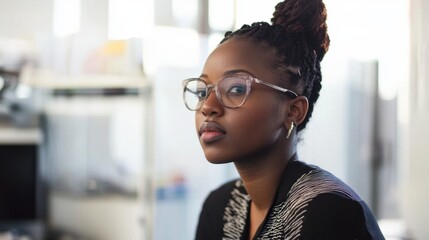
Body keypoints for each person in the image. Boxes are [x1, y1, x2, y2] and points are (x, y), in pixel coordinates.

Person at [181, 0, 385, 239]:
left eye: (235, 89)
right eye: (203, 91)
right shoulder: (220, 207)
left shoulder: (329, 212)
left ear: (293, 111)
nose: (207, 107)